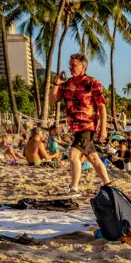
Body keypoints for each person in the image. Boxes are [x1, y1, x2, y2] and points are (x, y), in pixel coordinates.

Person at [50, 53, 111, 195]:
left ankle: (74, 188)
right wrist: (56, 84)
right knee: (93, 158)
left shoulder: (92, 83)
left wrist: (103, 129)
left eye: (74, 65)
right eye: (70, 65)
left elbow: (102, 106)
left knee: (73, 155)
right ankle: (108, 184)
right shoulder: (67, 85)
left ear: (84, 66)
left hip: (87, 125)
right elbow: (52, 100)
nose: (71, 67)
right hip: (75, 128)